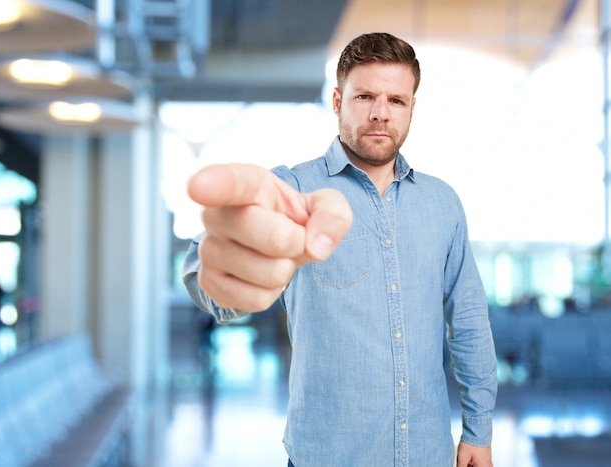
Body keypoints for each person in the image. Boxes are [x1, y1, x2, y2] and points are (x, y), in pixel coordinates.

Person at [182, 32, 497, 467]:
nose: (380, 114)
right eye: (365, 96)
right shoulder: (293, 191)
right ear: (336, 101)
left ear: (412, 108)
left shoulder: (443, 204)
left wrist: (479, 430)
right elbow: (210, 265)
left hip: (429, 455)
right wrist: (227, 275)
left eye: (396, 100)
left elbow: (469, 321)